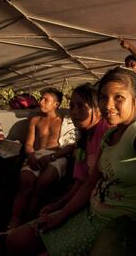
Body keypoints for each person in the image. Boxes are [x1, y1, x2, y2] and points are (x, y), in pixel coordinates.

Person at [5, 67, 136, 255]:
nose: (108, 105)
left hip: (115, 226)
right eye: (103, 97)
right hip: (90, 214)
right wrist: (62, 213)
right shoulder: (109, 136)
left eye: (118, 97)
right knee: (14, 241)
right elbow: (90, 183)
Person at [8, 88, 77, 228]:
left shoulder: (65, 122)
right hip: (36, 155)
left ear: (56, 105)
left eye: (46, 100)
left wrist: (52, 156)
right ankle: (13, 222)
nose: (41, 102)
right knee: (26, 182)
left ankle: (28, 221)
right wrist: (31, 156)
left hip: (57, 156)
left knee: (43, 182)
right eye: (41, 98)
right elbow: (28, 143)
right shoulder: (35, 120)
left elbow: (70, 146)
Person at [39, 83, 110, 217]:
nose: (74, 112)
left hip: (102, 207)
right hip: (89, 200)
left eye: (81, 105)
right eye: (72, 106)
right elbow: (80, 182)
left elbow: (90, 183)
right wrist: (59, 205)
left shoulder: (106, 132)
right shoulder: (84, 138)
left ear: (98, 109)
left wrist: (61, 214)